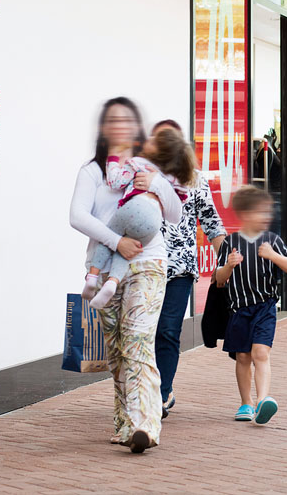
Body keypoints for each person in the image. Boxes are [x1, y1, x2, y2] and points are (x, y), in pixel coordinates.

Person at [68, 97, 164, 454]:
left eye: (127, 120)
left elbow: (175, 211)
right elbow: (77, 215)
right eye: (112, 120)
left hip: (149, 263)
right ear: (103, 129)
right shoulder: (92, 171)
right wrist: (117, 241)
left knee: (138, 340)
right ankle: (125, 422)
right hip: (106, 267)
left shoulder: (151, 167)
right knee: (118, 351)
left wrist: (156, 183)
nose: (120, 126)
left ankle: (145, 424)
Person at [148, 120, 226, 418]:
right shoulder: (142, 176)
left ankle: (162, 393)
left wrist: (231, 259)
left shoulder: (195, 179)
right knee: (145, 332)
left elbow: (211, 220)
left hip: (179, 268)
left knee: (168, 330)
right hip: (144, 267)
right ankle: (146, 390)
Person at [214, 186, 287, 425]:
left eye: (267, 212)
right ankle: (246, 402)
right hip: (239, 309)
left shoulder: (273, 241)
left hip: (265, 307)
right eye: (261, 212)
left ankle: (263, 401)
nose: (266, 217)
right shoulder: (230, 243)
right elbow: (219, 280)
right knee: (242, 356)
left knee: (260, 353)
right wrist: (229, 266)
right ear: (245, 215)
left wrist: (273, 256)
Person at [82, 127, 191, 309]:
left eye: (153, 140)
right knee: (127, 250)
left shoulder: (139, 163)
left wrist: (114, 158)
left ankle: (92, 277)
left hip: (134, 208)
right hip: (153, 224)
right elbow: (179, 203)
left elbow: (115, 181)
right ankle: (113, 282)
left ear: (157, 150)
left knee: (109, 237)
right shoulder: (174, 176)